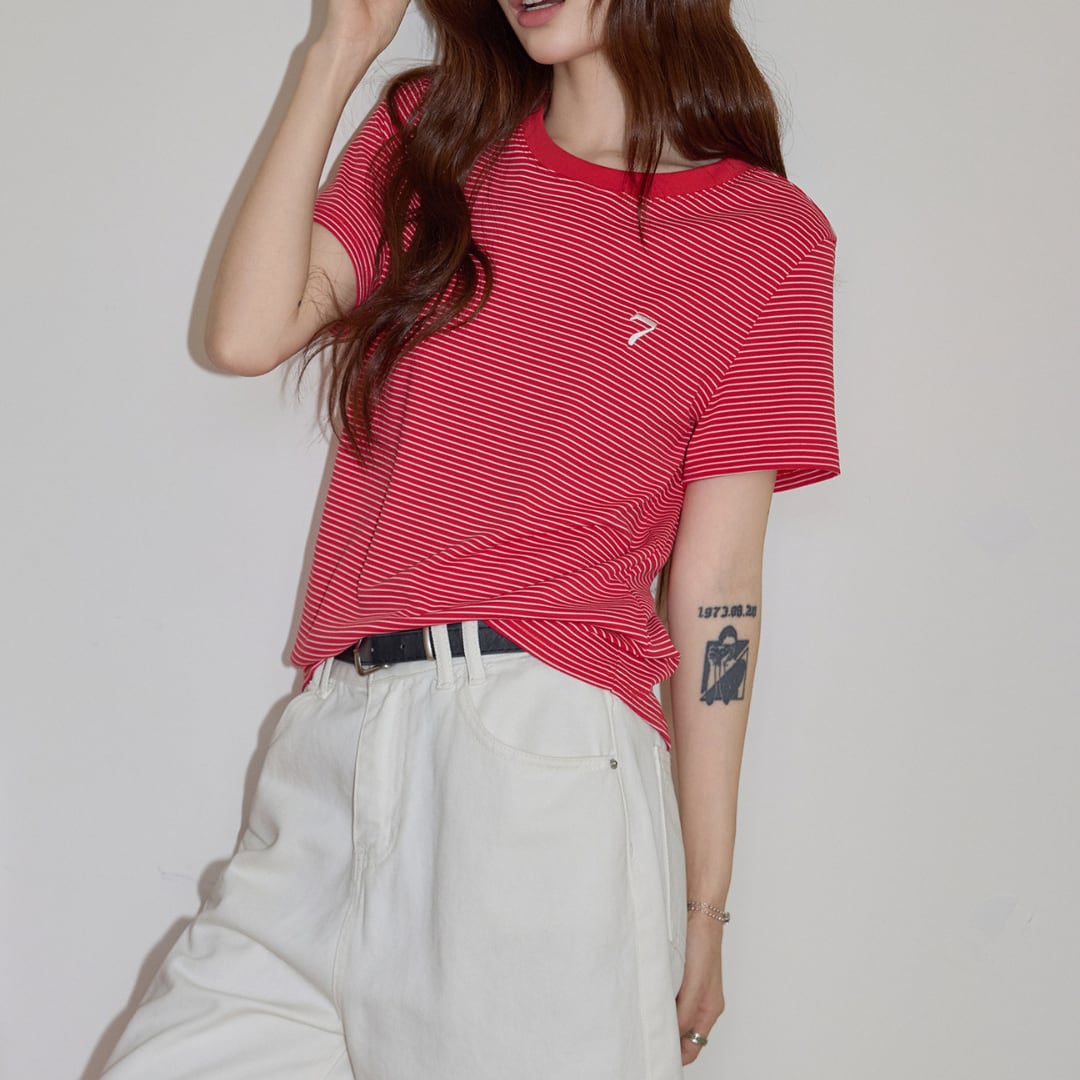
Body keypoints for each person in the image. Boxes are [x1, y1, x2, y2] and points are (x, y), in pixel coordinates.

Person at [100, 0, 839, 1076]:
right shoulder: (432, 138)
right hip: (335, 738)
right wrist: (338, 48)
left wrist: (706, 901)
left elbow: (719, 585)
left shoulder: (765, 235)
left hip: (536, 761)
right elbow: (246, 332)